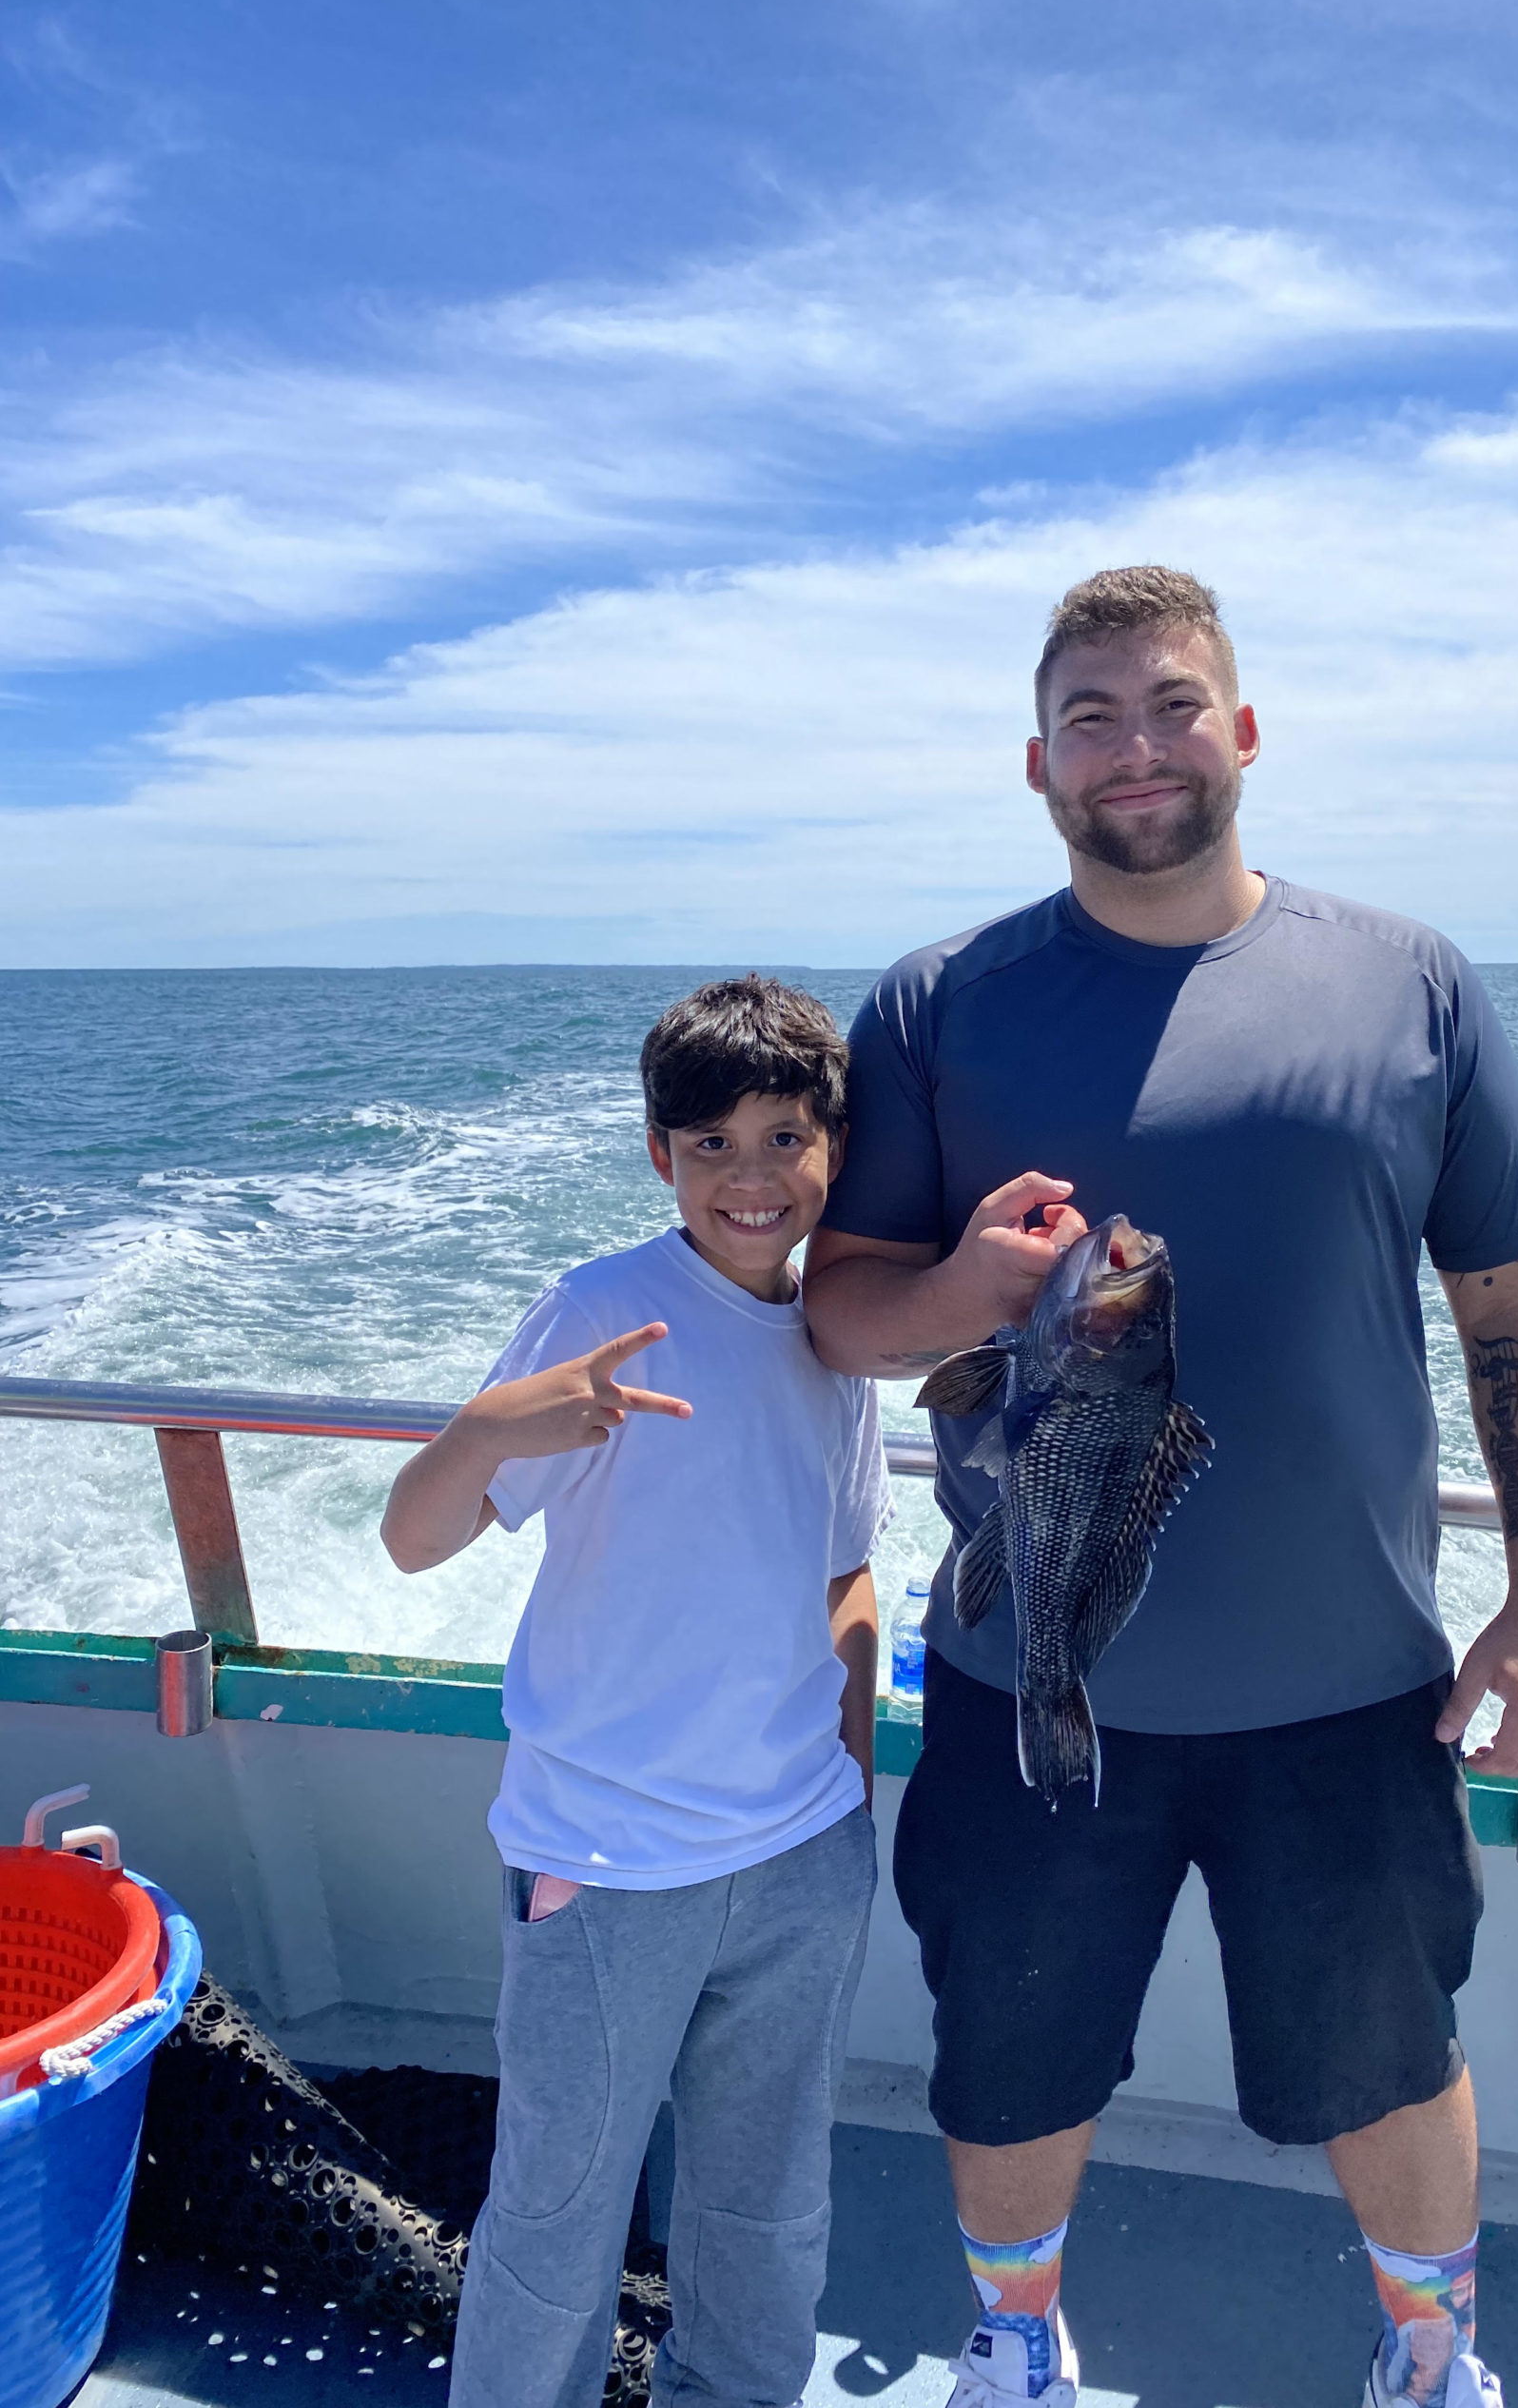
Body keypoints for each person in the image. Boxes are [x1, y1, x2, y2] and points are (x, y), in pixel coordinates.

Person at [803, 568, 1518, 2408]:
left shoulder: (1411, 982)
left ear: (1241, 731)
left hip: (1351, 1679)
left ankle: (1432, 2357)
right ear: (1037, 764)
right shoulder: (936, 1004)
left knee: (1391, 2053)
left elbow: (1515, 1302)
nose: (1134, 748)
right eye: (1090, 718)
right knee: (1008, 2054)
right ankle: (1014, 2346)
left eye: (1170, 706)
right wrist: (966, 1294)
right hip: (1022, 1668)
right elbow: (843, 1312)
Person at [381, 975, 890, 2408]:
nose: (749, 1175)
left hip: (800, 1857)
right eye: (711, 1142)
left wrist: (848, 1801)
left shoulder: (837, 1338)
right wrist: (491, 1427)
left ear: (835, 1150)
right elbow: (413, 1540)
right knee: (557, 2214)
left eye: (784, 1137)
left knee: (768, 2207)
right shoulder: (603, 1310)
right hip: (604, 1867)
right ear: (660, 1154)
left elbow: (846, 1575)